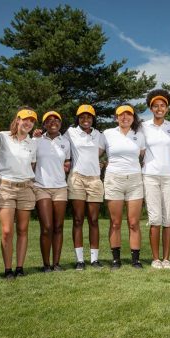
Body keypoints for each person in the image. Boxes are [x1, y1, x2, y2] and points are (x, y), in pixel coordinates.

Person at [0, 107, 37, 279]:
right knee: (6, 231)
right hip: (6, 187)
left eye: (32, 121)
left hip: (26, 188)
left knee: (22, 229)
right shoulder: (2, 137)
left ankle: (19, 267)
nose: (28, 123)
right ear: (18, 119)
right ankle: (7, 269)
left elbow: (32, 165)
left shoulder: (33, 142)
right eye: (25, 119)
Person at [104, 104, 146, 269]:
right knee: (115, 222)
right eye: (121, 115)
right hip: (114, 179)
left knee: (134, 222)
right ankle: (116, 259)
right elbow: (95, 151)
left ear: (133, 118)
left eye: (129, 115)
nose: (125, 117)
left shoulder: (139, 135)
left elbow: (142, 155)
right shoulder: (107, 134)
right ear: (116, 117)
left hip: (135, 179)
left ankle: (136, 260)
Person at [64, 104, 105, 270]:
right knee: (78, 219)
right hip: (77, 178)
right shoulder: (70, 132)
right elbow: (58, 145)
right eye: (82, 117)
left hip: (94, 180)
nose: (85, 119)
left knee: (94, 220)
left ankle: (94, 260)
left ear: (93, 118)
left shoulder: (99, 135)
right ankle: (80, 260)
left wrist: (100, 164)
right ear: (78, 118)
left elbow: (100, 153)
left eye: (89, 117)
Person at [141, 89, 170, 269]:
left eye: (162, 105)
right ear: (151, 108)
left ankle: (167, 259)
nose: (159, 108)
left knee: (168, 219)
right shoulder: (143, 126)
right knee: (155, 218)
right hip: (150, 175)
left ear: (167, 108)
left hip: (169, 176)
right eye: (155, 106)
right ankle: (156, 259)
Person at [33, 111, 71, 272]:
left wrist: (61, 169)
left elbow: (67, 163)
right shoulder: (36, 140)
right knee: (47, 226)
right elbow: (31, 163)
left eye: (56, 120)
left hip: (60, 187)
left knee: (58, 226)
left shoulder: (66, 142)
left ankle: (56, 264)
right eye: (49, 120)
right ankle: (46, 264)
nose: (53, 122)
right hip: (41, 187)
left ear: (60, 123)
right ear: (44, 124)